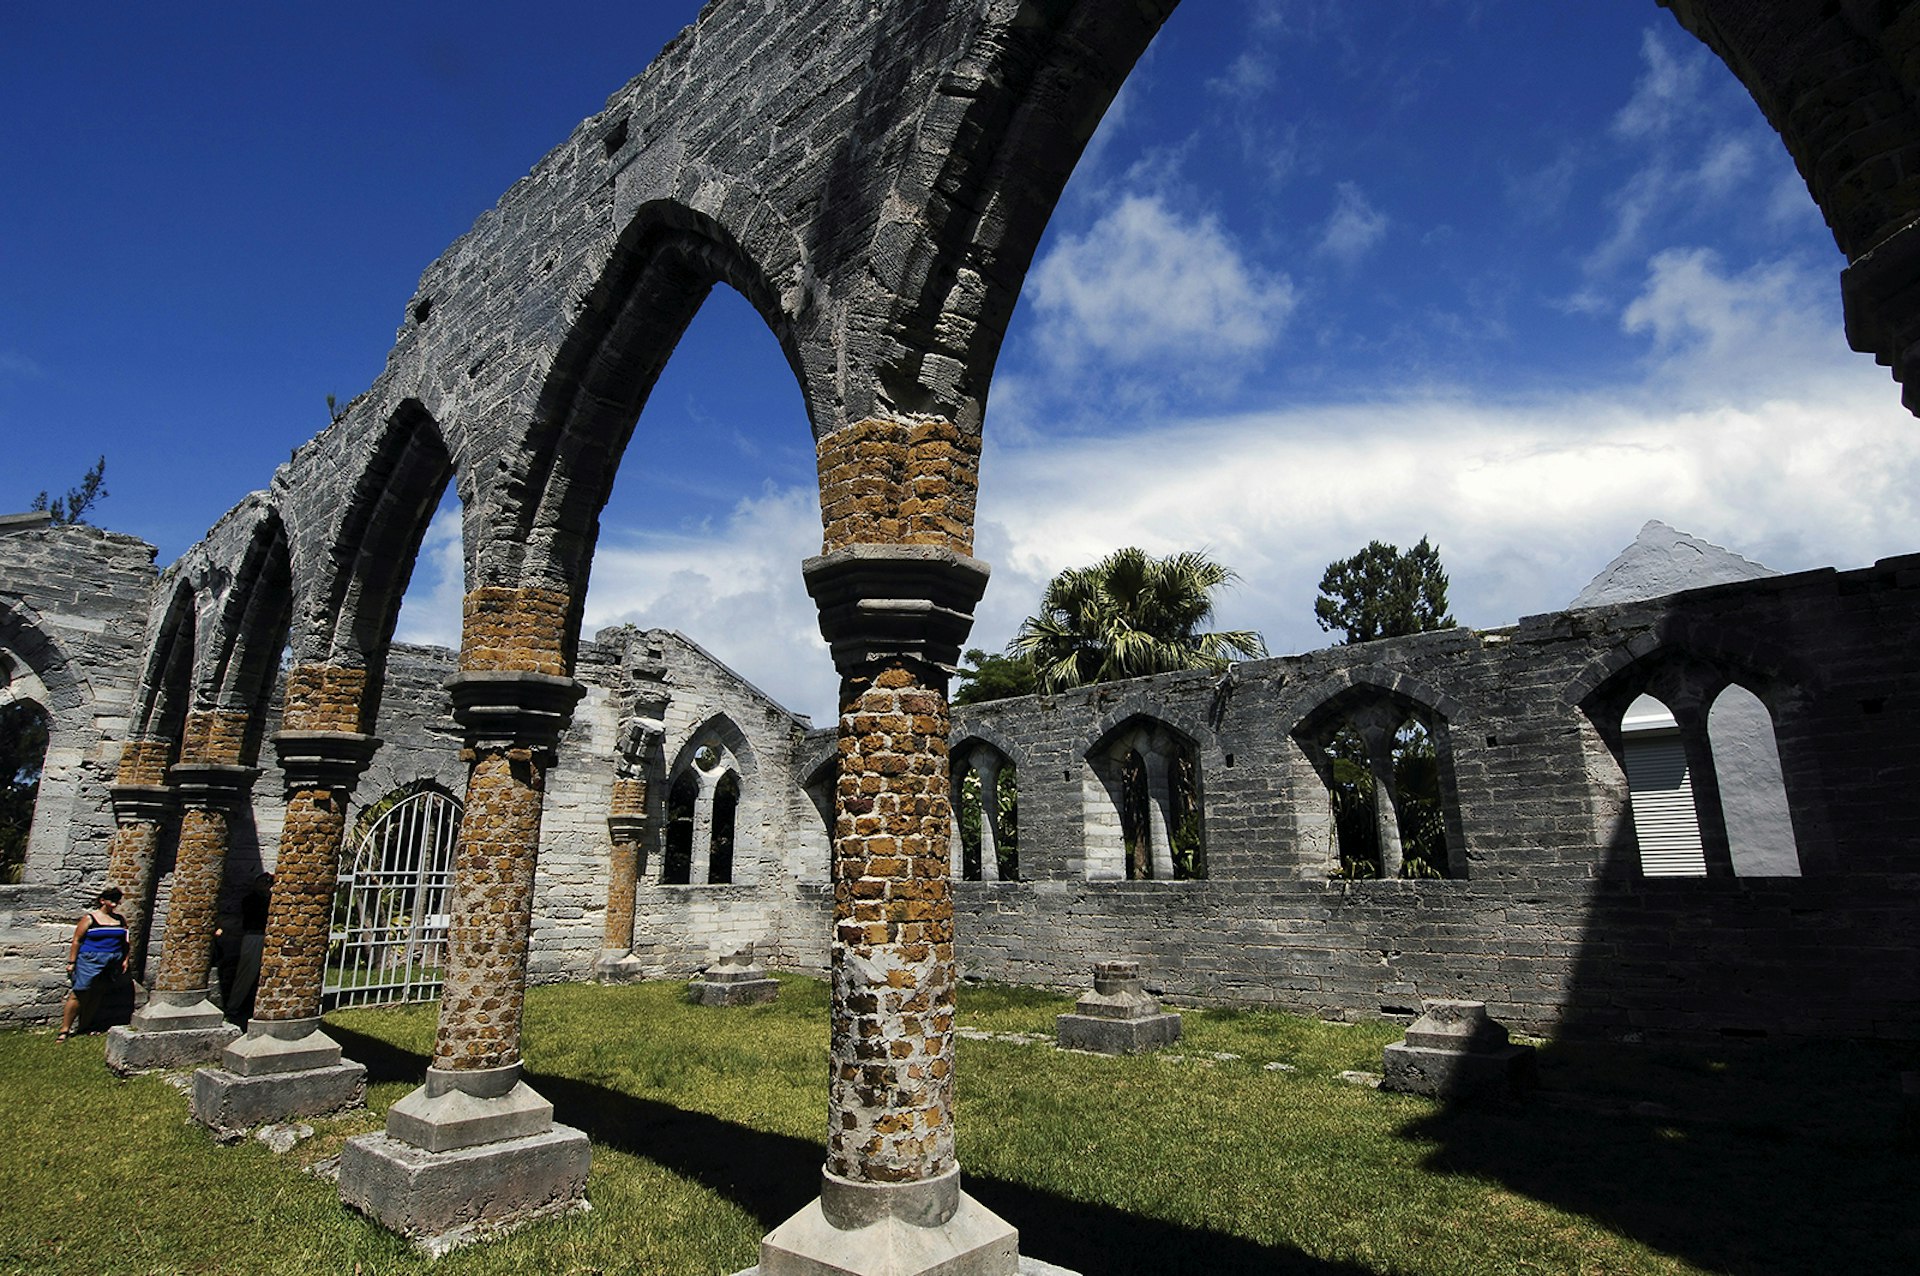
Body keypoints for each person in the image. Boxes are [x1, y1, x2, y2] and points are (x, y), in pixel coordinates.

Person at [58, 887, 128, 1042]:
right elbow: (77, 940)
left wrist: (125, 959)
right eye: (111, 899)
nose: (114, 903)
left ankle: (85, 1026)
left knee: (98, 992)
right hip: (90, 958)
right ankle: (65, 1029)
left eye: (117, 900)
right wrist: (72, 961)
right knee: (80, 992)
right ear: (102, 900)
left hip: (112, 959)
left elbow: (125, 942)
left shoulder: (120, 920)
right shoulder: (90, 918)